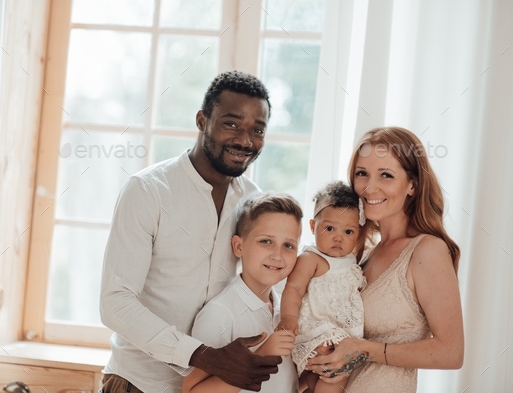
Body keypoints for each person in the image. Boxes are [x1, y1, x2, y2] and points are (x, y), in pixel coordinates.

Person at [99, 71, 282, 393]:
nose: (245, 140)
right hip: (138, 383)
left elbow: (262, 279)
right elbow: (115, 303)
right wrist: (203, 356)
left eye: (258, 129)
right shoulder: (148, 191)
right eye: (231, 123)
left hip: (210, 387)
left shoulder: (253, 200)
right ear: (202, 120)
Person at [306, 127, 464, 392]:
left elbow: (451, 352)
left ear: (412, 185)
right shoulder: (362, 255)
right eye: (362, 174)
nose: (369, 187)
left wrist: (362, 349)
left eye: (386, 175)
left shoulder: (427, 251)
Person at [182, 192, 303, 393]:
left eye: (288, 245)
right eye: (266, 241)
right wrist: (261, 356)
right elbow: (192, 391)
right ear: (239, 246)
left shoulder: (288, 310)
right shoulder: (219, 314)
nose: (277, 255)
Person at [276, 181, 367, 393]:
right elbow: (294, 289)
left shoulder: (351, 260)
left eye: (348, 232)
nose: (338, 237)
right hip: (319, 332)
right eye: (329, 228)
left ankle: (308, 385)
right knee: (335, 376)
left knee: (336, 375)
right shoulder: (311, 258)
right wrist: (288, 318)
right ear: (312, 227)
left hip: (343, 335)